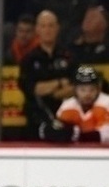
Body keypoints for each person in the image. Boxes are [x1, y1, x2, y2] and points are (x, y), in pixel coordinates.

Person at [18, 9, 77, 140]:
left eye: (51, 26)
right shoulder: (29, 59)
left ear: (57, 28)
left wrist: (52, 91)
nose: (47, 30)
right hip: (37, 119)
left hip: (67, 116)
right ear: (37, 30)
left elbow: (76, 87)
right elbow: (34, 89)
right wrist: (60, 83)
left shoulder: (69, 56)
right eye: (43, 26)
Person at [41, 65, 109, 144]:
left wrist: (78, 136)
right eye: (82, 90)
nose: (87, 94)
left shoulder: (106, 103)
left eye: (92, 89)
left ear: (98, 89)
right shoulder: (68, 106)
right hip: (76, 150)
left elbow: (106, 134)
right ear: (75, 89)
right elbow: (59, 128)